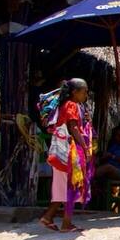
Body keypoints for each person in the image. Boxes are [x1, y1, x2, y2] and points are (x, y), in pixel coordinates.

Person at [40, 79, 91, 232]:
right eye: (84, 91)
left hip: (61, 151)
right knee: (71, 186)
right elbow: (74, 127)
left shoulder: (67, 105)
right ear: (75, 92)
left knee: (63, 186)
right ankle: (66, 223)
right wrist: (85, 147)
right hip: (69, 152)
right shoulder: (72, 105)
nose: (86, 95)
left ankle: (48, 217)